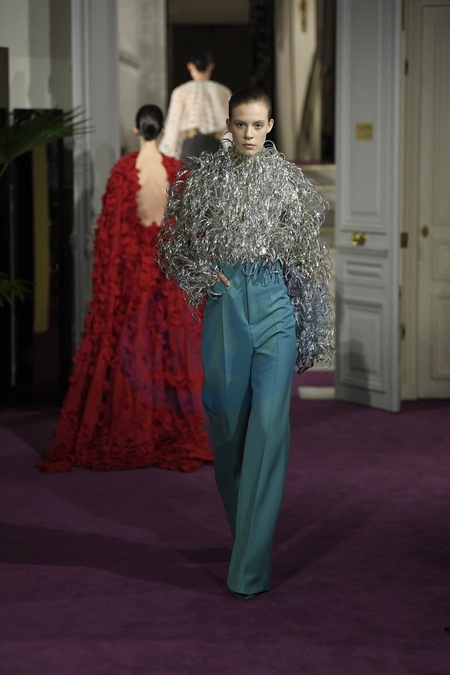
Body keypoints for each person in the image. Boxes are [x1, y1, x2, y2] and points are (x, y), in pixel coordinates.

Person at [157, 86, 334, 600]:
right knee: (228, 432)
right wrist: (201, 276)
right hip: (225, 308)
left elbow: (307, 265)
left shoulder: (290, 184)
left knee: (269, 429)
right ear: (228, 125)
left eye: (258, 125)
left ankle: (249, 571)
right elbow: (172, 247)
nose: (249, 134)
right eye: (241, 124)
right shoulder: (204, 181)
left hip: (276, 309)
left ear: (270, 126)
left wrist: (311, 330)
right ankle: (247, 540)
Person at [38, 105, 213, 473]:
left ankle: (128, 428)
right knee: (165, 348)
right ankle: (163, 431)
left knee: (128, 347)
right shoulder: (174, 171)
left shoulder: (122, 171)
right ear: (161, 130)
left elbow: (109, 235)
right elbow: (186, 231)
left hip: (131, 277)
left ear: (136, 130)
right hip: (164, 275)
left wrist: (107, 285)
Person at [158, 48, 231, 159]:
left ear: (190, 66)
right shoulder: (224, 92)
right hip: (217, 147)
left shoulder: (181, 92)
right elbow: (231, 126)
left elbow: (173, 127)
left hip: (190, 147)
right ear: (211, 66)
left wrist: (169, 155)